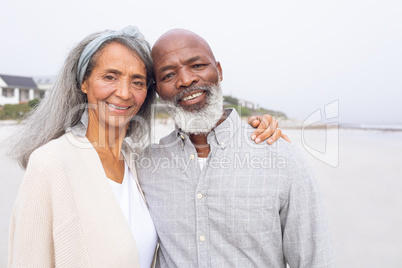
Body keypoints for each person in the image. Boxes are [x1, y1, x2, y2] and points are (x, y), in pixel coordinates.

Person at [8, 26, 284, 267]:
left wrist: (249, 130)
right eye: (110, 77)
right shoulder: (51, 163)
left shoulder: (140, 163)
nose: (125, 92)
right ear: (84, 82)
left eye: (137, 82)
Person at [136, 29, 335, 267]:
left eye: (197, 66)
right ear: (158, 90)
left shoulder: (281, 157)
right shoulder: (145, 166)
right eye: (168, 75)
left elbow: (315, 259)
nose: (186, 80)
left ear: (218, 71)